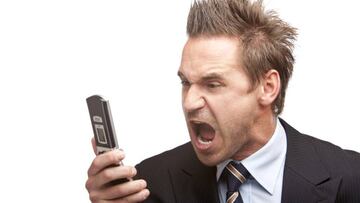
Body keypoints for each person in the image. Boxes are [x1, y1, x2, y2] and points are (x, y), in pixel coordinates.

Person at [85, 0, 360, 202]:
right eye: (185, 82)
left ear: (267, 87)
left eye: (212, 84)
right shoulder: (149, 184)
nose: (190, 102)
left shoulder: (350, 178)